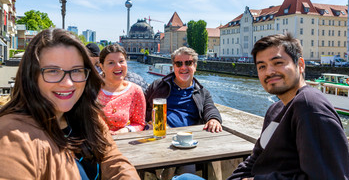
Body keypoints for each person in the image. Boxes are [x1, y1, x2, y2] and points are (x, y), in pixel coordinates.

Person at [0, 28, 140, 179]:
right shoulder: (12, 135)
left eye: (76, 71)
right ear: (31, 76)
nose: (68, 83)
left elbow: (113, 161)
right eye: (53, 71)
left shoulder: (88, 118)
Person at [228, 33, 349, 180]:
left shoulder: (309, 106)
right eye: (262, 66)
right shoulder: (275, 110)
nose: (269, 71)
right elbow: (256, 159)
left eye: (278, 62)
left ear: (300, 65)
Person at [145, 47, 222, 177]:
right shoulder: (158, 85)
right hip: (160, 137)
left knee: (190, 160)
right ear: (173, 67)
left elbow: (210, 108)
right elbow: (142, 106)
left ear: (195, 66)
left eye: (188, 63)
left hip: (185, 141)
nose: (183, 67)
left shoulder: (202, 92)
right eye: (179, 63)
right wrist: (150, 121)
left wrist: (213, 119)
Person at [98, 44, 146, 134]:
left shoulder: (135, 91)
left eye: (121, 61)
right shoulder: (91, 89)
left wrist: (125, 130)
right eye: (111, 63)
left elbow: (139, 123)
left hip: (122, 142)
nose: (118, 66)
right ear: (102, 67)